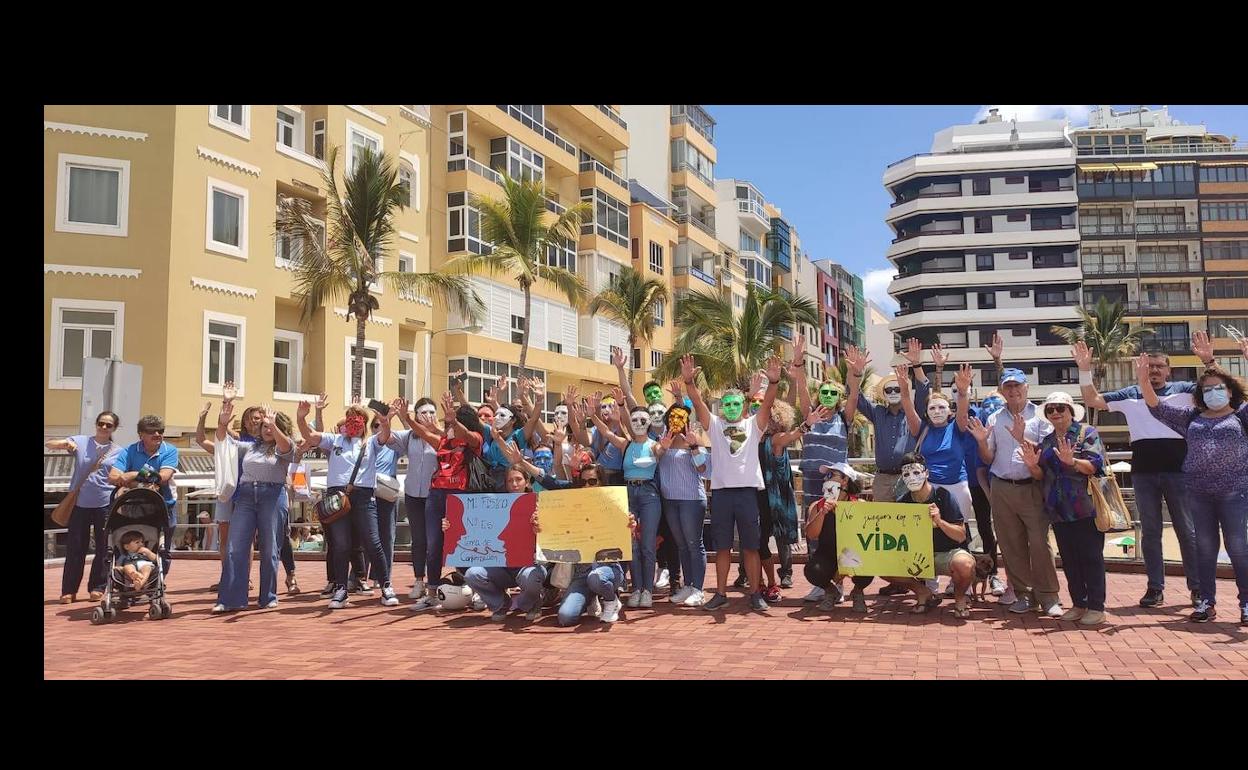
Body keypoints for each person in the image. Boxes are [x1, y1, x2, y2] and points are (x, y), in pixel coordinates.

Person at [1074, 335, 1217, 609]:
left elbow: (1216, 391)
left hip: (1180, 472)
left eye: (1159, 366)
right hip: (1143, 473)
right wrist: (1084, 369)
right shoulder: (1130, 394)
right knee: (1150, 533)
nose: (1154, 371)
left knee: (1187, 531)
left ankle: (1198, 588)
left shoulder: (1185, 390)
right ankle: (1155, 588)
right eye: (1149, 366)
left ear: (1169, 370)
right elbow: (1091, 399)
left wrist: (1208, 361)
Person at [1134, 347, 1248, 626]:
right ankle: (1206, 602)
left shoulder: (1242, 415)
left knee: (1238, 548)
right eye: (1207, 389)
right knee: (1205, 549)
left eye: (1218, 388)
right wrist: (1143, 381)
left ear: (1230, 391)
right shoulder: (1191, 417)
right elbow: (1156, 407)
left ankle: (1246, 603)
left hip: (1234, 493)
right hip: (1199, 494)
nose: (1213, 393)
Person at [684, 352, 783, 612]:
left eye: (735, 404)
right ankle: (720, 593)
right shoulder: (715, 425)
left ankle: (755, 593)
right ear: (721, 407)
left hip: (748, 494)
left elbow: (767, 405)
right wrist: (689, 383)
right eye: (726, 404)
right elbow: (698, 403)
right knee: (723, 548)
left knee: (751, 547)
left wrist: (773, 383)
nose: (731, 408)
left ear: (742, 405)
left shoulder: (754, 425)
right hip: (722, 494)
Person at [967, 365, 1061, 617]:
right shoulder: (994, 418)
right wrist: (980, 442)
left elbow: (1047, 454)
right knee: (1010, 545)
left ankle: (1049, 596)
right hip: (1002, 486)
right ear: (1002, 390)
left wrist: (1022, 438)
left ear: (1026, 387)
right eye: (1008, 386)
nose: (1013, 390)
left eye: (1017, 385)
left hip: (1032, 486)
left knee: (1039, 544)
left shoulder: (1041, 416)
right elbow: (988, 458)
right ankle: (1023, 595)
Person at [296, 400, 397, 610]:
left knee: (373, 542)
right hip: (337, 496)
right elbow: (310, 436)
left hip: (364, 496)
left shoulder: (370, 442)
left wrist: (385, 421)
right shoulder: (335, 440)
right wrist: (301, 417)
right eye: (350, 420)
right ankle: (341, 589)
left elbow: (385, 436)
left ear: (364, 423)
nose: (353, 425)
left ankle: (386, 586)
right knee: (340, 544)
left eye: (357, 421)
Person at [1019, 391, 1108, 625]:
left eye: (1060, 408)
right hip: (1059, 509)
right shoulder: (1048, 441)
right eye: (1051, 409)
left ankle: (1096, 606)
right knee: (1069, 559)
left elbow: (1094, 466)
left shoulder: (1086, 433)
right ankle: (1079, 603)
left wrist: (1073, 461)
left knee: (1091, 557)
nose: (1055, 412)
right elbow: (1041, 475)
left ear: (1070, 411)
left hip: (1085, 507)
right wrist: (1032, 466)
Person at [403, 393, 485, 612]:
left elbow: (467, 434)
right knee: (433, 545)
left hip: (460, 497)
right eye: (448, 423)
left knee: (464, 544)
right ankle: (431, 593)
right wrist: (407, 418)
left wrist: (454, 421)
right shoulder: (443, 441)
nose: (448, 426)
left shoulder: (474, 440)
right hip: (436, 495)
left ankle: (476, 590)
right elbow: (423, 432)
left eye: (452, 423)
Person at [211, 403, 297, 613]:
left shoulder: (285, 447)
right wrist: (222, 422)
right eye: (265, 426)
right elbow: (223, 441)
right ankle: (230, 599)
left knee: (269, 549)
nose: (267, 429)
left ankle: (267, 597)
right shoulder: (250, 447)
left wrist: (273, 425)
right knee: (235, 547)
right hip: (246, 496)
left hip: (273, 496)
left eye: (272, 426)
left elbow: (285, 447)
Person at [586, 394, 667, 608]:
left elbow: (662, 450)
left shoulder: (654, 445)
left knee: (648, 545)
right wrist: (593, 415)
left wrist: (665, 446)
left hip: (649, 495)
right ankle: (636, 588)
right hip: (629, 494)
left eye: (643, 420)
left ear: (649, 422)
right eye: (634, 420)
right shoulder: (625, 444)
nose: (639, 423)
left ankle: (647, 590)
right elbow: (606, 432)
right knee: (632, 545)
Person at [46, 410, 124, 604]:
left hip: (105, 503)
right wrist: (65, 444)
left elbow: (120, 477)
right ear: (96, 424)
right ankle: (69, 590)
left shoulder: (118, 451)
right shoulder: (81, 441)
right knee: (75, 547)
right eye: (101, 423)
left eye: (108, 425)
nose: (103, 427)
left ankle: (97, 587)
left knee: (103, 548)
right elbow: (49, 444)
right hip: (80, 503)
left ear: (114, 428)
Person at [889, 452, 976, 617]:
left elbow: (961, 535)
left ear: (926, 473)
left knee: (965, 565)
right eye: (906, 474)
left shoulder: (944, 496)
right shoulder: (902, 502)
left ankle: (960, 599)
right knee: (882, 564)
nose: (911, 477)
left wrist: (940, 521)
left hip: (947, 553)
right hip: (918, 556)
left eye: (916, 472)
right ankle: (923, 593)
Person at [460, 465, 548, 622]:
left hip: (529, 565)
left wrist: (539, 529)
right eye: (510, 481)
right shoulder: (495, 506)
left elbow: (553, 539)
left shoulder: (541, 506)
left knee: (531, 577)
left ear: (527, 482)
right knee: (472, 574)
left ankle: (531, 603)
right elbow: (473, 527)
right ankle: (501, 604)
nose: (514, 484)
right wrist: (451, 526)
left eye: (518, 479)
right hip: (502, 566)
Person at [107, 414, 179, 577]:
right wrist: (143, 481)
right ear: (141, 434)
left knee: (163, 549)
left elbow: (163, 477)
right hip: (133, 506)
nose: (157, 434)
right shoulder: (129, 451)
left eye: (160, 431)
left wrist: (133, 474)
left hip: (164, 506)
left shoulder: (170, 450)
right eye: (151, 431)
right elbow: (112, 477)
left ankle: (157, 581)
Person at [802, 463, 876, 613]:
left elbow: (868, 538)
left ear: (845, 480)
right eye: (826, 476)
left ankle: (858, 591)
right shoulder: (817, 505)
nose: (826, 479)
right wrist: (822, 513)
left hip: (852, 554)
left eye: (831, 475)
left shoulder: (859, 505)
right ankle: (830, 591)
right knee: (812, 570)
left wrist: (846, 566)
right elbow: (811, 534)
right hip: (827, 554)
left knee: (869, 565)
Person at [385, 397, 440, 600]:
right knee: (418, 539)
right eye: (423, 412)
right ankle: (419, 580)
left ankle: (436, 582)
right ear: (416, 416)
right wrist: (387, 419)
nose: (428, 416)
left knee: (434, 540)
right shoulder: (409, 436)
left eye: (432, 412)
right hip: (412, 494)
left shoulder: (443, 435)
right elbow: (387, 438)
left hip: (435, 494)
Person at [656, 404, 711, 607]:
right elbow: (653, 462)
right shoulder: (663, 440)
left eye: (680, 417)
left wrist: (694, 447)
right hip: (670, 500)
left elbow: (704, 469)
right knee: (681, 545)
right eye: (672, 417)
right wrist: (663, 447)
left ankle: (698, 589)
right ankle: (688, 585)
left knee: (694, 544)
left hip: (691, 500)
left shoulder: (694, 440)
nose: (676, 421)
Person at [368, 412, 400, 589]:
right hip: (367, 491)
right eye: (375, 425)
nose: (379, 428)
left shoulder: (394, 444)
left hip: (387, 491)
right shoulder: (366, 444)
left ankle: (383, 576)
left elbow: (413, 435)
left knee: (387, 536)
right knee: (366, 535)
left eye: (383, 424)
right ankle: (358, 576)